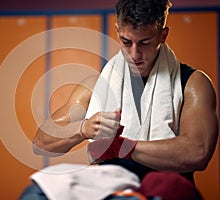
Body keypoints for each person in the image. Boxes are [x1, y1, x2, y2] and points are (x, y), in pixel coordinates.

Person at [24, 0, 219, 199]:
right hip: (110, 186)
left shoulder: (192, 84)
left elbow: (198, 152)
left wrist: (124, 147)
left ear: (163, 35)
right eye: (127, 42)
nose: (135, 54)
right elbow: (40, 142)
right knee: (35, 194)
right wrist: (82, 129)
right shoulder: (95, 86)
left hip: (164, 189)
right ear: (117, 31)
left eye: (144, 42)